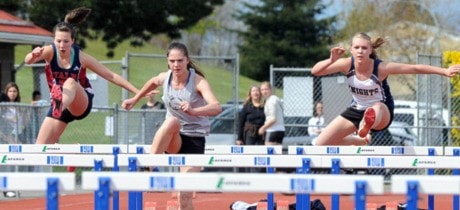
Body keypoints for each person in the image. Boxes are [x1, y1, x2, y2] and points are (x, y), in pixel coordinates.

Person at [311, 32, 460, 146]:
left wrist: (444, 71)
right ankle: (361, 141)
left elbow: (414, 68)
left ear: (370, 50)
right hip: (356, 109)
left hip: (382, 111)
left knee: (375, 108)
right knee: (320, 143)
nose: (360, 51)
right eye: (357, 47)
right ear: (351, 49)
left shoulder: (381, 68)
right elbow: (316, 71)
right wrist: (331, 60)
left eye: (364, 48)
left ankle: (366, 126)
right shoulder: (345, 64)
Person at [122, 42, 222, 210]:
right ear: (168, 61)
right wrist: (135, 98)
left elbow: (216, 107)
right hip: (175, 137)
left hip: (194, 139)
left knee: (183, 197)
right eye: (172, 61)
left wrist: (194, 110)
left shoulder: (198, 81)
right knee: (172, 121)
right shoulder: (165, 77)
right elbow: (152, 82)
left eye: (180, 61)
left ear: (187, 60)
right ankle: (148, 167)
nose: (176, 65)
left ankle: (152, 169)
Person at [24, 7, 139, 145]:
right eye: (58, 41)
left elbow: (110, 75)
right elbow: (28, 61)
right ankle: (71, 156)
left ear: (73, 41)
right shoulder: (49, 51)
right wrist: (33, 55)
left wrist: (138, 92)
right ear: (54, 40)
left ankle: (58, 105)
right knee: (39, 148)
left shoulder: (81, 57)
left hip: (80, 103)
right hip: (61, 105)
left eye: (66, 41)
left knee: (70, 82)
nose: (61, 45)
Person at [258, 81, 285, 146]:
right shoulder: (274, 99)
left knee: (270, 152)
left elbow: (273, 119)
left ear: (270, 89)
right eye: (262, 90)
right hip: (280, 129)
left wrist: (263, 128)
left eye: (266, 89)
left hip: (273, 130)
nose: (264, 91)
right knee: (277, 153)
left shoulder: (271, 101)